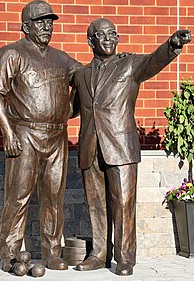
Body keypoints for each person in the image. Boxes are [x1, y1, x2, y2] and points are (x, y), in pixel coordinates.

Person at [72, 18, 191, 276]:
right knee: (96, 206)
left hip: (121, 146)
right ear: (90, 40)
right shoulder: (81, 75)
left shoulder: (130, 64)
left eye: (112, 34)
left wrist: (171, 44)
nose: (108, 39)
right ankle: (99, 254)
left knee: (124, 205)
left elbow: (153, 61)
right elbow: (70, 109)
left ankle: (125, 257)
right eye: (101, 34)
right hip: (90, 147)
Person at [0, 0, 82, 272]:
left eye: (49, 22)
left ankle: (52, 253)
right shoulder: (11, 53)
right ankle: (10, 255)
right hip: (24, 133)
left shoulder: (62, 58)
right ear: (25, 26)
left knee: (54, 198)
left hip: (57, 137)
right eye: (40, 22)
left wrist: (109, 63)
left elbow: (87, 79)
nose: (46, 26)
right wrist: (8, 131)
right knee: (18, 197)